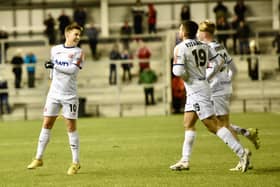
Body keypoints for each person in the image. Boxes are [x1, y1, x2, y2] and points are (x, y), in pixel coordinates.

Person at [169, 20, 250, 172]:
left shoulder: (180, 47)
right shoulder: (204, 45)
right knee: (188, 123)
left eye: (180, 29)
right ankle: (185, 160)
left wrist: (190, 78)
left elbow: (177, 72)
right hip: (201, 87)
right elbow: (219, 61)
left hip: (196, 90)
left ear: (184, 32)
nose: (179, 31)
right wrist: (204, 75)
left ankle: (242, 153)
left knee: (213, 125)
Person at [197, 20, 260, 171]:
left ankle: (243, 155)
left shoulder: (209, 49)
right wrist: (225, 81)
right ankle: (246, 134)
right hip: (223, 89)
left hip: (216, 91)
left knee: (218, 125)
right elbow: (234, 69)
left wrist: (207, 80)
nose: (197, 34)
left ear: (204, 34)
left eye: (199, 32)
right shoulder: (220, 46)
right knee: (218, 124)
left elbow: (217, 65)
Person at [27, 23, 84, 175]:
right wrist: (51, 85)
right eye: (76, 34)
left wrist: (54, 65)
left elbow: (72, 70)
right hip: (54, 94)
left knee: (71, 127)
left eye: (79, 35)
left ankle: (75, 162)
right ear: (67, 34)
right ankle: (38, 158)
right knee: (46, 124)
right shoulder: (55, 50)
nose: (78, 37)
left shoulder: (79, 52)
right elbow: (52, 70)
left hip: (69, 96)